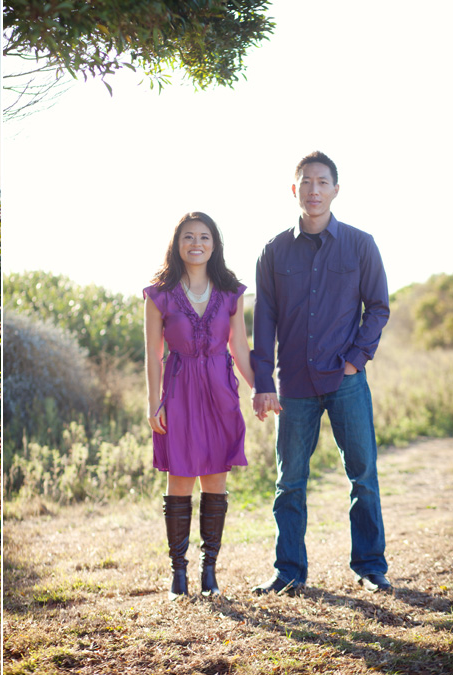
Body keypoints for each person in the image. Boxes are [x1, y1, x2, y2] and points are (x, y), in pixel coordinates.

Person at [251, 150, 391, 595]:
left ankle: (370, 567)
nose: (314, 190)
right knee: (288, 482)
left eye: (322, 182)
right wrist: (263, 383)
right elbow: (264, 322)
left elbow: (378, 308)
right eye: (306, 182)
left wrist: (355, 359)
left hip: (345, 380)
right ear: (294, 190)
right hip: (293, 385)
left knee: (362, 476)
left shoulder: (360, 243)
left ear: (335, 189)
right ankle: (288, 571)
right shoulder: (273, 251)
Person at [143, 212, 256, 600]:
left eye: (204, 237)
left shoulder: (230, 292)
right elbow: (152, 355)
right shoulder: (159, 293)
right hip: (178, 392)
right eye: (188, 236)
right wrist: (154, 403)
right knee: (179, 479)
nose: (196, 243)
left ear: (214, 243)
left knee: (215, 479)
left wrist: (260, 388)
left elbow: (239, 348)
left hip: (220, 392)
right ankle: (179, 574)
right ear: (177, 243)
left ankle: (210, 572)